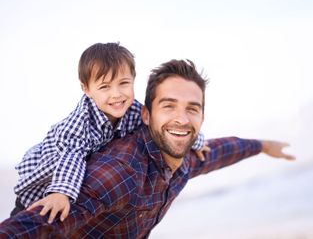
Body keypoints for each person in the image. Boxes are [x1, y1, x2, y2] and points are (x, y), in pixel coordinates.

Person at [0, 59, 295, 238]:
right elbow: (41, 224)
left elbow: (220, 152)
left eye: (192, 108)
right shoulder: (119, 171)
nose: (181, 118)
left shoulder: (184, 158)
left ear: (202, 117)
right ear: (146, 114)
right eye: (168, 106)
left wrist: (263, 146)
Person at [11, 43, 206, 224]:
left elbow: (163, 124)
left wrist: (196, 141)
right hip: (45, 187)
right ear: (86, 89)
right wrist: (61, 193)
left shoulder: (133, 111)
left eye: (123, 83)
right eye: (105, 87)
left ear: (133, 80)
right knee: (33, 225)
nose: (117, 94)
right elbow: (72, 157)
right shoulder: (79, 124)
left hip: (76, 188)